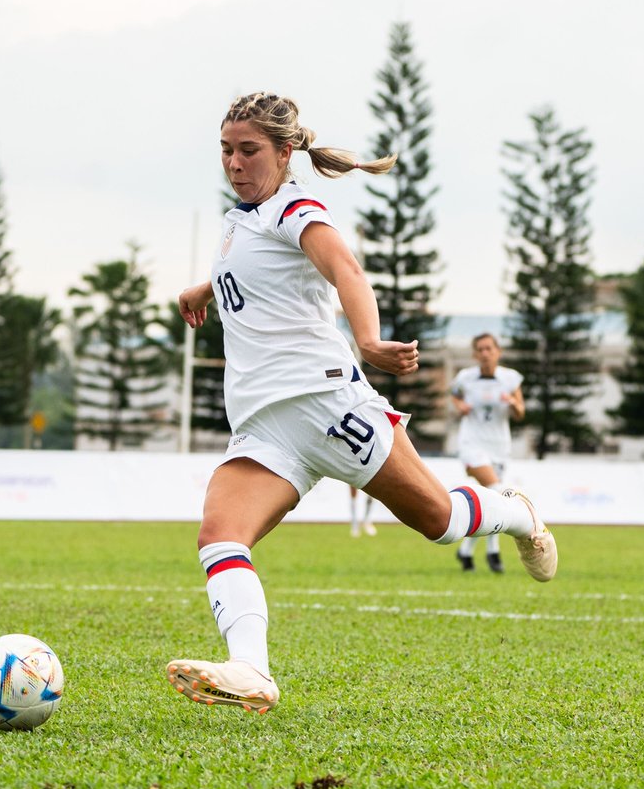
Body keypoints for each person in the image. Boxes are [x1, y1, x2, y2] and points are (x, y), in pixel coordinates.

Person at [166, 92, 556, 714]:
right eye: (226, 150)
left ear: (285, 152)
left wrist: (369, 341)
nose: (235, 163)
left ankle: (514, 513)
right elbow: (256, 266)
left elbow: (346, 270)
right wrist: (206, 286)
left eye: (249, 151)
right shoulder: (243, 216)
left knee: (441, 522)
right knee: (219, 535)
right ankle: (252, 670)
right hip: (265, 428)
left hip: (328, 407)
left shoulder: (297, 207)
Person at [450, 333, 525, 574]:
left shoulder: (510, 379)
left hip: (499, 445)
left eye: (489, 349)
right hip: (472, 443)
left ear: (498, 351)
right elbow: (454, 396)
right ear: (474, 354)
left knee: (488, 500)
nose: (485, 353)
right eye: (480, 349)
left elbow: (520, 412)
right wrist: (460, 406)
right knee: (497, 492)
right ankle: (493, 551)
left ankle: (465, 552)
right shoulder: (465, 378)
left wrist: (513, 403)